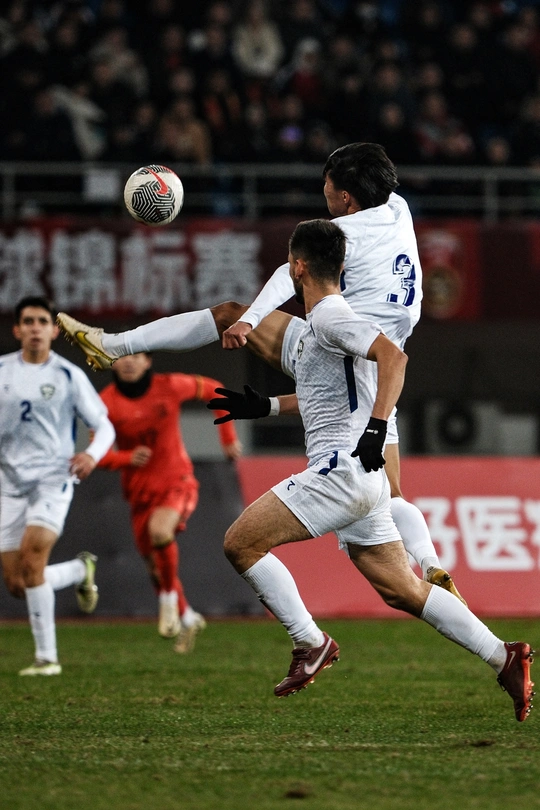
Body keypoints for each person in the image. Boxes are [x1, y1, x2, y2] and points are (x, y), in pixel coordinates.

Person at [57, 142, 461, 602]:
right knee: (392, 494)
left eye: (328, 185)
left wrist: (250, 321)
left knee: (229, 314)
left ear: (347, 197)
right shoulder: (398, 208)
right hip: (379, 367)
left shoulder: (344, 231)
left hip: (337, 347)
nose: (324, 191)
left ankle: (112, 345)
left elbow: (290, 274)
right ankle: (431, 564)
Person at [206, 218, 534, 721]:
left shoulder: (330, 317)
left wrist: (378, 429)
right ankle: (503, 656)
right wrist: (266, 407)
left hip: (341, 470)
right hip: (362, 479)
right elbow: (328, 395)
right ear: (341, 267)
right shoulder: (328, 323)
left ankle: (309, 642)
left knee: (240, 543)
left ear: (297, 267)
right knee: (402, 589)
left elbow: (393, 358)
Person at [0, 296, 115, 676]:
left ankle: (47, 659)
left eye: (42, 321)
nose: (35, 327)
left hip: (52, 480)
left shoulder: (68, 375)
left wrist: (92, 455)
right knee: (19, 582)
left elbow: (105, 426)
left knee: (33, 560)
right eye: (28, 321)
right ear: (17, 329)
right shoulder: (2, 371)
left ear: (53, 330)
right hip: (8, 483)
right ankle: (80, 570)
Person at [98, 353, 242, 653]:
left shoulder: (169, 386)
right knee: (154, 566)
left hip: (177, 481)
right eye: (121, 357)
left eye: (135, 355)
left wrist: (227, 436)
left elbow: (216, 390)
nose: (129, 362)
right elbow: (98, 454)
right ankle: (188, 617)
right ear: (113, 363)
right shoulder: (104, 403)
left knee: (160, 532)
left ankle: (166, 600)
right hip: (139, 493)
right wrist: (125, 457)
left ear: (147, 360)